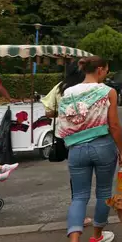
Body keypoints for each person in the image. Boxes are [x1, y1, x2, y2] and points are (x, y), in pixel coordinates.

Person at [57, 56, 122, 242]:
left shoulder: (68, 92)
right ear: (99, 70)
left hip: (76, 149)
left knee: (79, 196)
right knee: (104, 192)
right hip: (102, 146)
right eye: (106, 70)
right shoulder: (108, 92)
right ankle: (97, 236)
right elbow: (114, 125)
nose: (106, 73)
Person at [42, 61, 93, 228]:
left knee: (76, 177)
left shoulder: (59, 88)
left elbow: (48, 112)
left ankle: (78, 215)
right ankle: (86, 214)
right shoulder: (87, 87)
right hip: (85, 135)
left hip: (64, 137)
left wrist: (62, 111)